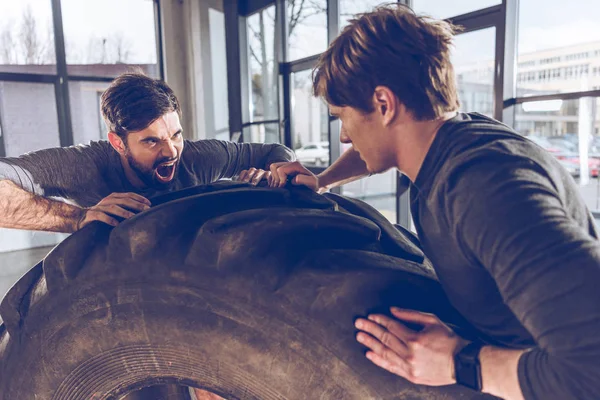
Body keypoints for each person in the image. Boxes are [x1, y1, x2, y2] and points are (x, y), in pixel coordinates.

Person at [269, 4, 600, 400]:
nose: (344, 135)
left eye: (343, 117)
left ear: (384, 104)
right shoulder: (446, 137)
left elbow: (591, 368)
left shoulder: (484, 190)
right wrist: (323, 180)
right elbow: (373, 146)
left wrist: (460, 364)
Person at [0, 73, 294, 233]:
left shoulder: (198, 156)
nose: (171, 152)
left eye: (176, 135)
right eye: (151, 142)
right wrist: (77, 218)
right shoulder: (83, 164)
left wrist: (275, 169)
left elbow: (274, 150)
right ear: (118, 143)